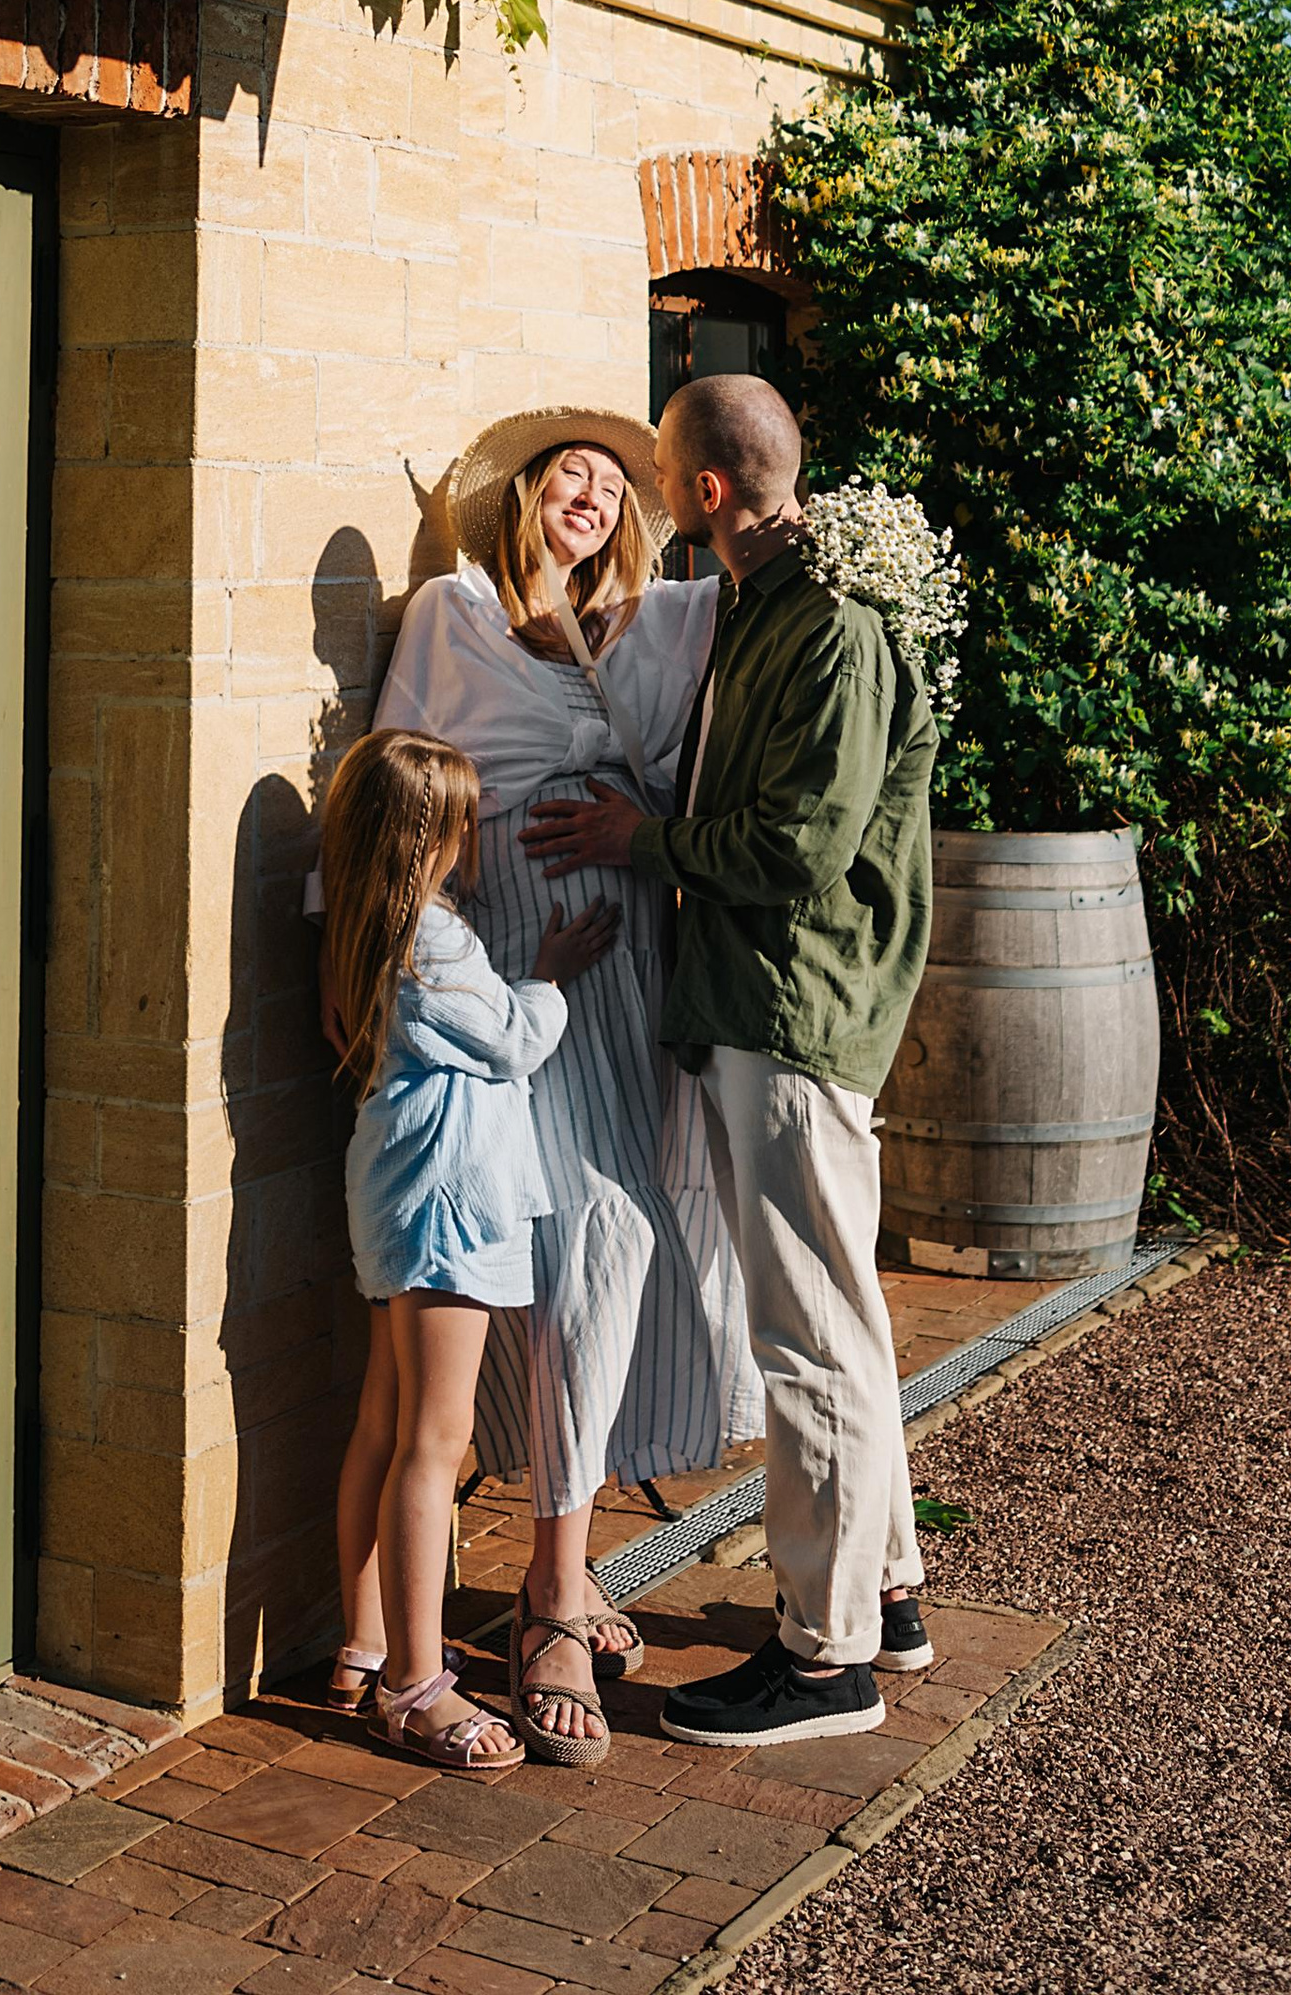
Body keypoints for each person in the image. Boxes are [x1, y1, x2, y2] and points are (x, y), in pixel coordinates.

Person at [524, 371, 939, 1748]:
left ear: (704, 491)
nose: (639, 491)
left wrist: (634, 844)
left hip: (794, 1009)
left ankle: (824, 1664)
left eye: (654, 472)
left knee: (807, 1339)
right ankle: (883, 1590)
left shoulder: (830, 627)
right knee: (846, 1319)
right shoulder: (768, 602)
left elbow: (797, 850)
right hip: (772, 1006)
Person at [355, 409, 761, 1764]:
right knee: (592, 1234)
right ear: (524, 497)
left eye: (612, 478)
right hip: (528, 945)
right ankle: (543, 1602)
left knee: (632, 1233)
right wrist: (418, 957)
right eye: (567, 469)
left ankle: (566, 1557)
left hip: (627, 945)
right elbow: (394, 790)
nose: (592, 488)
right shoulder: (454, 612)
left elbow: (758, 605)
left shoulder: (645, 627)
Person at [318, 723, 615, 1773]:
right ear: (426, 839)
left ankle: (363, 1644)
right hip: (448, 1200)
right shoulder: (432, 938)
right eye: (461, 823)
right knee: (434, 1444)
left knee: (383, 1421)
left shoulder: (360, 920)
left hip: (397, 1190)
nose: (472, 837)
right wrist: (548, 973)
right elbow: (518, 1038)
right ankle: (414, 1683)